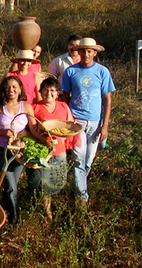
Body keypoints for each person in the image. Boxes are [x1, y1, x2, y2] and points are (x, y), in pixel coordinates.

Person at [61, 37, 115, 202]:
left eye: (89, 51)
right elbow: (65, 99)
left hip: (95, 122)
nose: (85, 54)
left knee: (88, 160)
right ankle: (81, 198)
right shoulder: (70, 72)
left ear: (95, 53)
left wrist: (105, 125)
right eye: (83, 51)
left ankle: (77, 187)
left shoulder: (102, 72)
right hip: (77, 121)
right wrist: (67, 122)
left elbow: (107, 99)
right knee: (78, 158)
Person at [0, 76, 41, 226]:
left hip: (19, 152)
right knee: (10, 184)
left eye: (14, 87)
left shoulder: (26, 107)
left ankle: (1, 211)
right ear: (4, 90)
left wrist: (43, 141)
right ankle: (15, 220)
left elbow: (33, 129)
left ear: (20, 89)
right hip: (2, 150)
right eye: (8, 87)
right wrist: (2, 133)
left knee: (12, 185)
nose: (11, 90)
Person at [27, 77, 75, 221]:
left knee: (55, 182)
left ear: (58, 93)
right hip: (42, 151)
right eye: (46, 90)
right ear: (40, 92)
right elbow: (31, 130)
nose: (49, 93)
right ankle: (43, 212)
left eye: (52, 90)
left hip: (59, 151)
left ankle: (48, 209)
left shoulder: (63, 107)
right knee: (38, 182)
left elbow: (70, 125)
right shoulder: (34, 108)